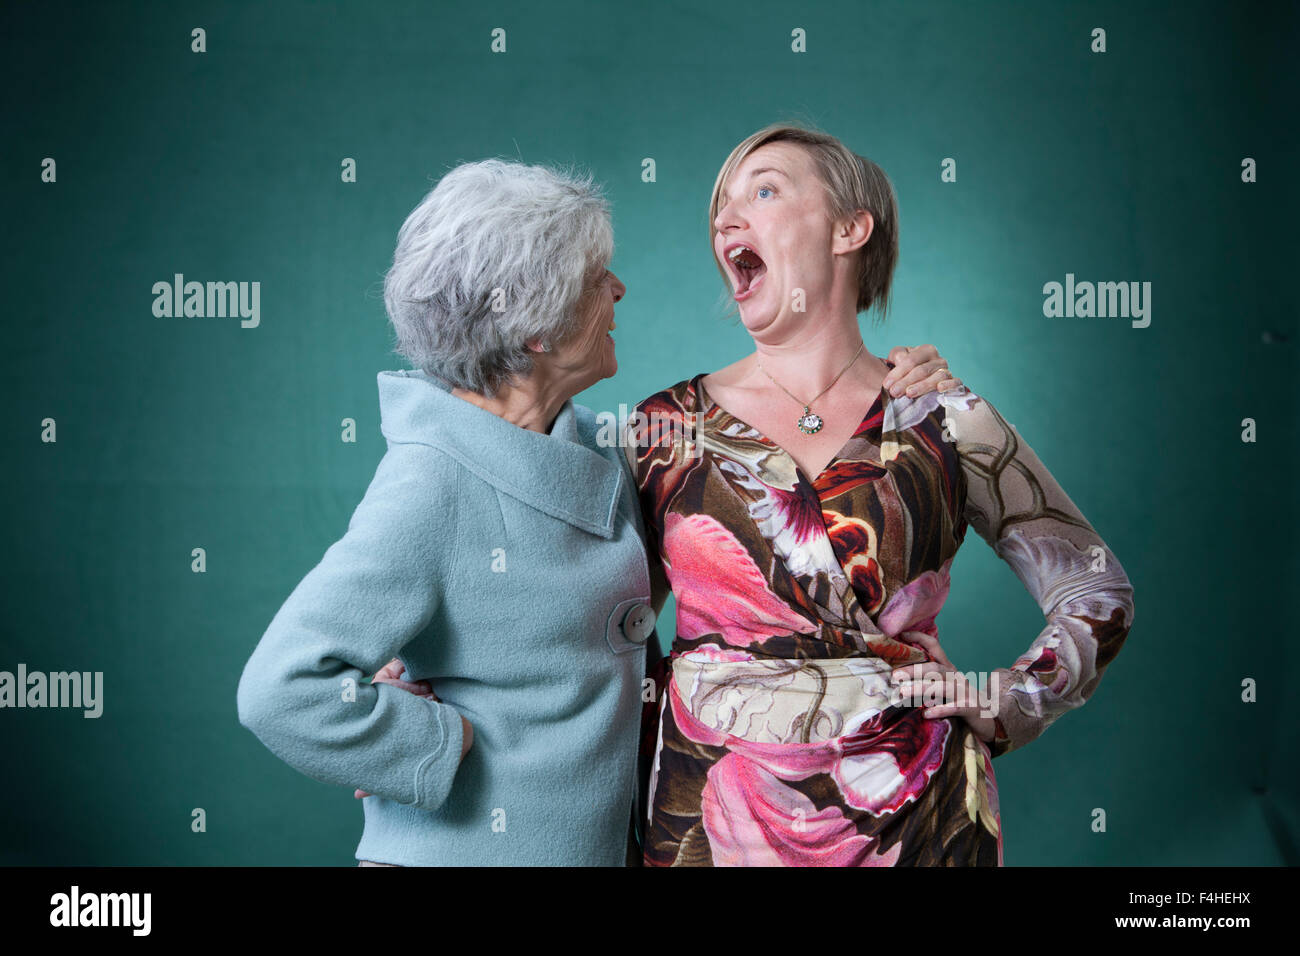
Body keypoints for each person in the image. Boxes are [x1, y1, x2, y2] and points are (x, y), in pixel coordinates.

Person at [235, 156, 958, 866]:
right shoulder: (431, 482)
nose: (618, 289)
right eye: (593, 281)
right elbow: (282, 689)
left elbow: (728, 558)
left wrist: (895, 390)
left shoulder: (601, 445)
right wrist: (426, 746)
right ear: (534, 328)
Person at [630, 123, 1136, 867]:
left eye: (764, 189)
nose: (726, 219)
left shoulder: (945, 417)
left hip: (917, 820)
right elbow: (602, 626)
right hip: (710, 818)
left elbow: (1098, 590)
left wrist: (1007, 699)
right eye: (720, 207)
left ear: (849, 229)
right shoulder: (662, 427)